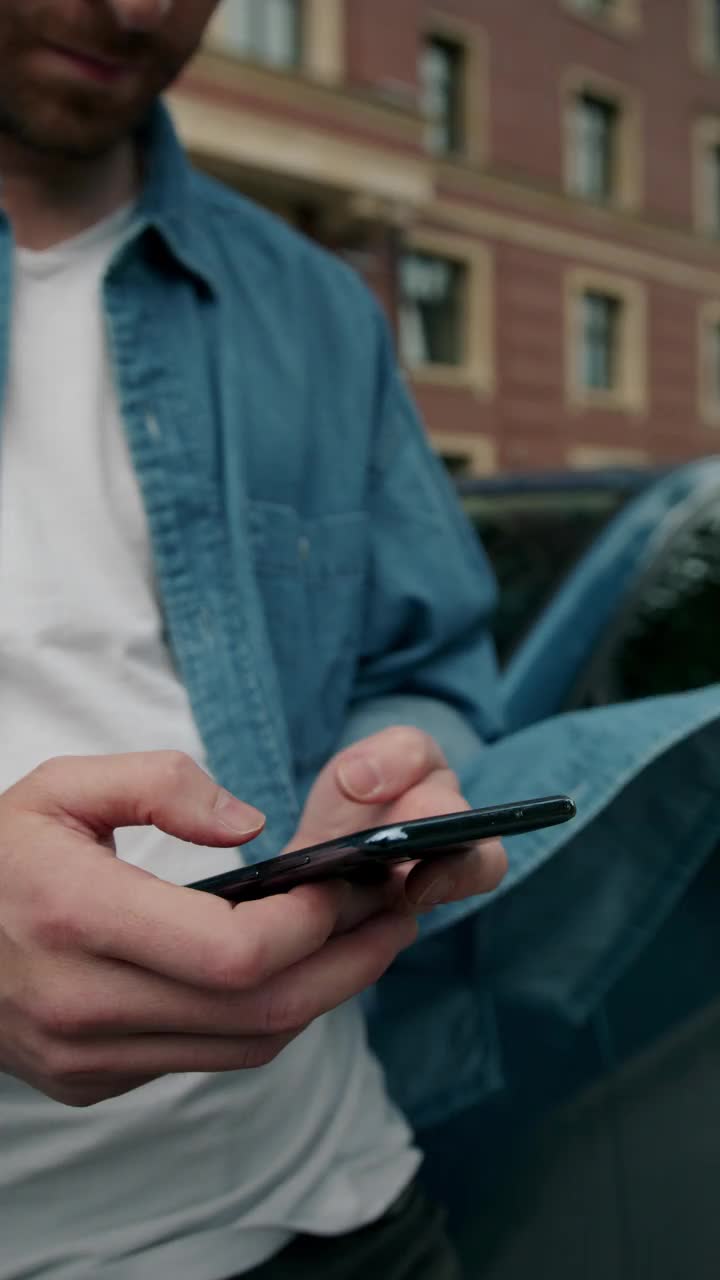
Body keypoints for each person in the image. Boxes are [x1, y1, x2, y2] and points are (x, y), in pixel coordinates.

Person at [2, 5, 720, 1280]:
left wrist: (389, 772)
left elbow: (423, 667)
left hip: (341, 1201)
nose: (134, 8)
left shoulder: (319, 307)